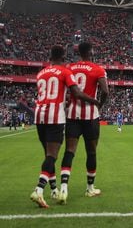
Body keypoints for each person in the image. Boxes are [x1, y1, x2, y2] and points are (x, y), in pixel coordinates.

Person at [30, 45, 99, 209]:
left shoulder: (40, 73)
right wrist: (95, 101)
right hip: (56, 116)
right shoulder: (65, 71)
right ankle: (39, 190)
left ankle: (54, 190)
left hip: (39, 115)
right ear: (64, 56)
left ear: (49, 56)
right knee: (52, 156)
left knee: (48, 155)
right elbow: (76, 93)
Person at [59, 42, 109, 204]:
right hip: (90, 117)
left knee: (70, 151)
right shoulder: (98, 69)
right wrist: (99, 104)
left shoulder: (69, 67)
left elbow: (65, 90)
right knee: (91, 152)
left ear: (79, 52)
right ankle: (89, 188)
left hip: (72, 115)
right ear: (91, 52)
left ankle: (63, 188)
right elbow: (105, 91)